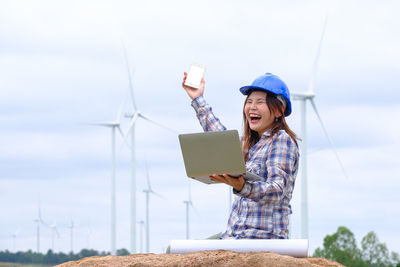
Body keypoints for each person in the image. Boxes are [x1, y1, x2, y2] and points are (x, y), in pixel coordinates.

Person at [182, 72, 300, 240]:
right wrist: (197, 98)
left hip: (262, 238)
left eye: (260, 102)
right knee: (177, 252)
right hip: (234, 236)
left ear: (279, 110)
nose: (252, 107)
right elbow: (220, 138)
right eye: (249, 102)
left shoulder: (281, 141)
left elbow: (277, 190)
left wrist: (242, 186)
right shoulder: (248, 145)